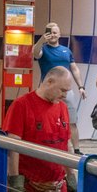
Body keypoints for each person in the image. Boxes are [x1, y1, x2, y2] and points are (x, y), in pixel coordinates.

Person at [33, 22, 86, 154]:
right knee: (45, 120)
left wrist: (81, 86)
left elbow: (74, 69)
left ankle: (77, 149)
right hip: (48, 92)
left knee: (72, 120)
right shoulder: (43, 49)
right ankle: (45, 145)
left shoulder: (66, 50)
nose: (53, 35)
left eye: (55, 32)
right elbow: (35, 53)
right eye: (50, 33)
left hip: (66, 91)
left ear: (60, 34)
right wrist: (41, 40)